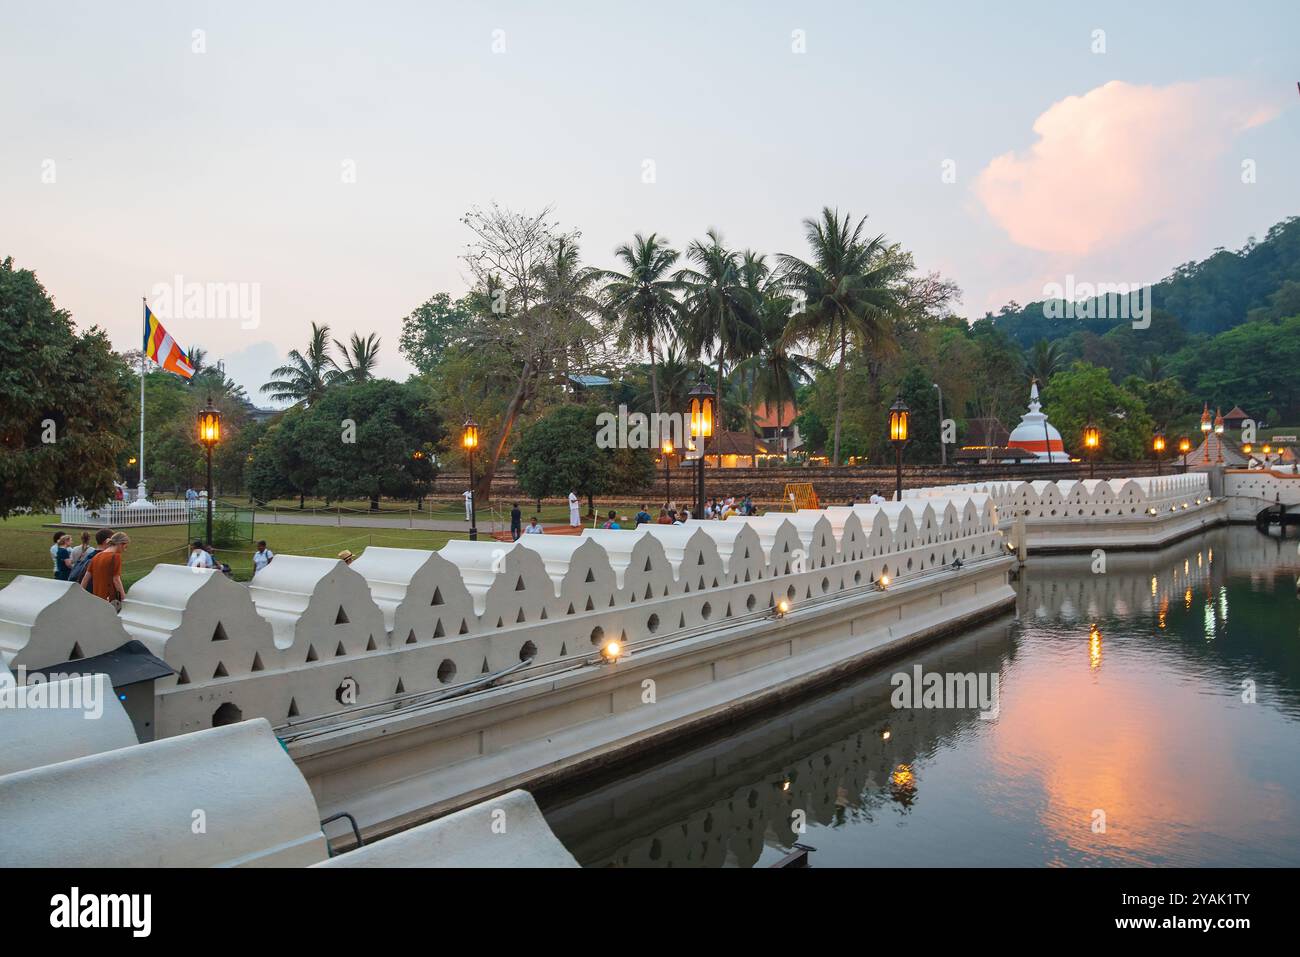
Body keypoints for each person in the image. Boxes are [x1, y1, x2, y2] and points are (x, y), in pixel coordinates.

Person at [84, 532, 129, 606]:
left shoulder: (97, 556)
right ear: (121, 544)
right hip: (109, 599)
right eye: (125, 547)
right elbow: (116, 579)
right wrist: (123, 598)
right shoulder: (115, 557)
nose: (125, 550)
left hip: (97, 598)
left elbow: (86, 578)